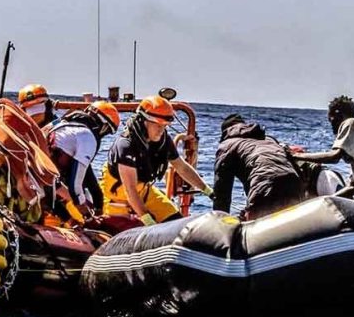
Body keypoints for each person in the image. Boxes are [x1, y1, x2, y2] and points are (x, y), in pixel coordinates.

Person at [101, 95, 213, 225]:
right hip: (117, 198)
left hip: (145, 193)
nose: (161, 130)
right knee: (125, 229)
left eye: (165, 126)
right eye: (157, 125)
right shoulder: (125, 145)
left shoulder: (163, 140)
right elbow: (130, 189)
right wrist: (148, 221)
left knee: (178, 224)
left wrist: (207, 190)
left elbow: (181, 167)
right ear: (143, 121)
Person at [213, 114, 305, 220]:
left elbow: (221, 191)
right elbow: (290, 162)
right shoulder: (269, 139)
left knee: (256, 222)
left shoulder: (227, 145)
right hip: (294, 183)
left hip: (264, 184)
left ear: (225, 132)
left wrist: (220, 221)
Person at [291, 95, 354, 202]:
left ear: (338, 114)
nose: (331, 125)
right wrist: (323, 202)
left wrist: (297, 156)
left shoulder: (350, 123)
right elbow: (352, 188)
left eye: (330, 119)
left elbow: (334, 157)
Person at [46, 100, 120, 218]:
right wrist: (87, 215)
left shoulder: (61, 123)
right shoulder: (88, 137)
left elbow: (88, 177)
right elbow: (75, 187)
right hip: (47, 183)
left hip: (40, 177)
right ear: (104, 126)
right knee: (78, 206)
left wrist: (98, 202)